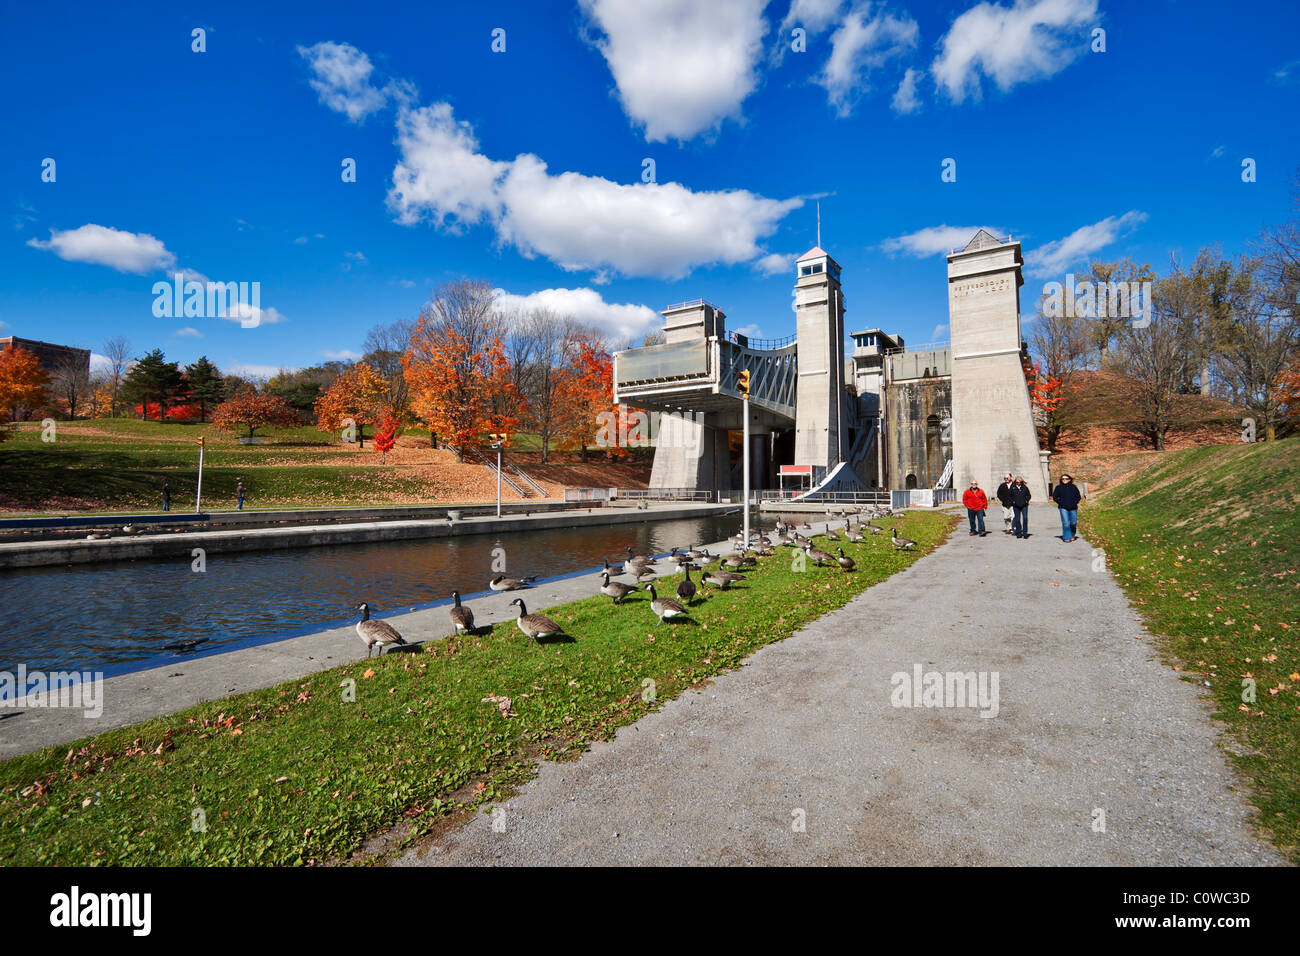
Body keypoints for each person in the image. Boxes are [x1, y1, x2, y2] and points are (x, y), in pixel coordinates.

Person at [1052, 472, 1082, 542]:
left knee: (1073, 522)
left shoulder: (1073, 487)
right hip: (1063, 508)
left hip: (1073, 507)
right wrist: (1061, 503)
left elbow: (1078, 497)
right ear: (1061, 480)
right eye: (1063, 479)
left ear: (1069, 480)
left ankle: (1072, 535)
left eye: (1066, 479)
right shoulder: (1058, 487)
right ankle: (1067, 537)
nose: (1064, 480)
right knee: (1065, 523)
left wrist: (1075, 502)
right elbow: (1055, 497)